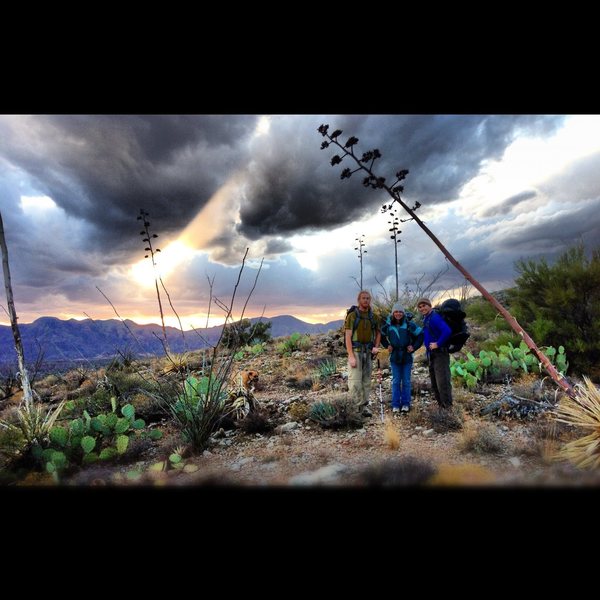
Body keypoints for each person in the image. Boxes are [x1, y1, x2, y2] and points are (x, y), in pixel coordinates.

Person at [380, 302, 424, 414]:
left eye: (400, 311)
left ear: (403, 313)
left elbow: (421, 335)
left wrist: (413, 347)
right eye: (396, 311)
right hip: (394, 356)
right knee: (395, 381)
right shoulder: (388, 325)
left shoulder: (409, 324)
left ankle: (405, 404)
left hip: (407, 356)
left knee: (406, 381)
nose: (398, 313)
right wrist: (387, 345)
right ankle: (395, 404)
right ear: (392, 313)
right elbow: (380, 336)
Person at [344, 290, 381, 417]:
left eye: (368, 298)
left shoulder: (374, 317)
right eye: (363, 298)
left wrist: (376, 347)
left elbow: (378, 333)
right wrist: (350, 355)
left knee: (366, 381)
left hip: (368, 353)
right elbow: (347, 336)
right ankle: (356, 409)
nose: (366, 300)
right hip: (356, 352)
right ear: (359, 300)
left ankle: (364, 407)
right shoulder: (352, 316)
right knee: (355, 381)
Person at [417, 297, 453, 409]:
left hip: (440, 354)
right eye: (420, 307)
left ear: (430, 305)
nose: (422, 308)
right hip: (432, 355)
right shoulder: (426, 318)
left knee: (442, 382)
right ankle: (441, 407)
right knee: (435, 383)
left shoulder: (434, 317)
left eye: (424, 305)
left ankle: (448, 409)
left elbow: (447, 331)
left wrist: (438, 343)